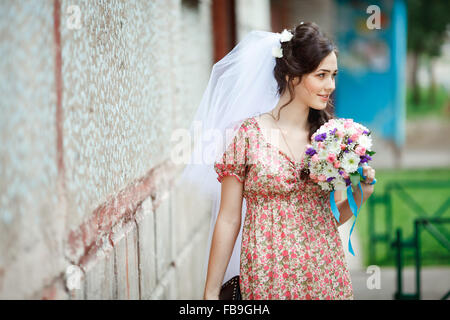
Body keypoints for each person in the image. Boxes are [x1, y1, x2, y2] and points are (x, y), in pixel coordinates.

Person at [181, 22, 376, 300]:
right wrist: (211, 291)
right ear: (292, 76)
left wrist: (362, 193)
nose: (330, 86)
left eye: (333, 75)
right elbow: (228, 219)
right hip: (267, 274)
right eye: (321, 75)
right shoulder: (247, 135)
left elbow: (331, 217)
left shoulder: (331, 138)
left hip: (323, 271)